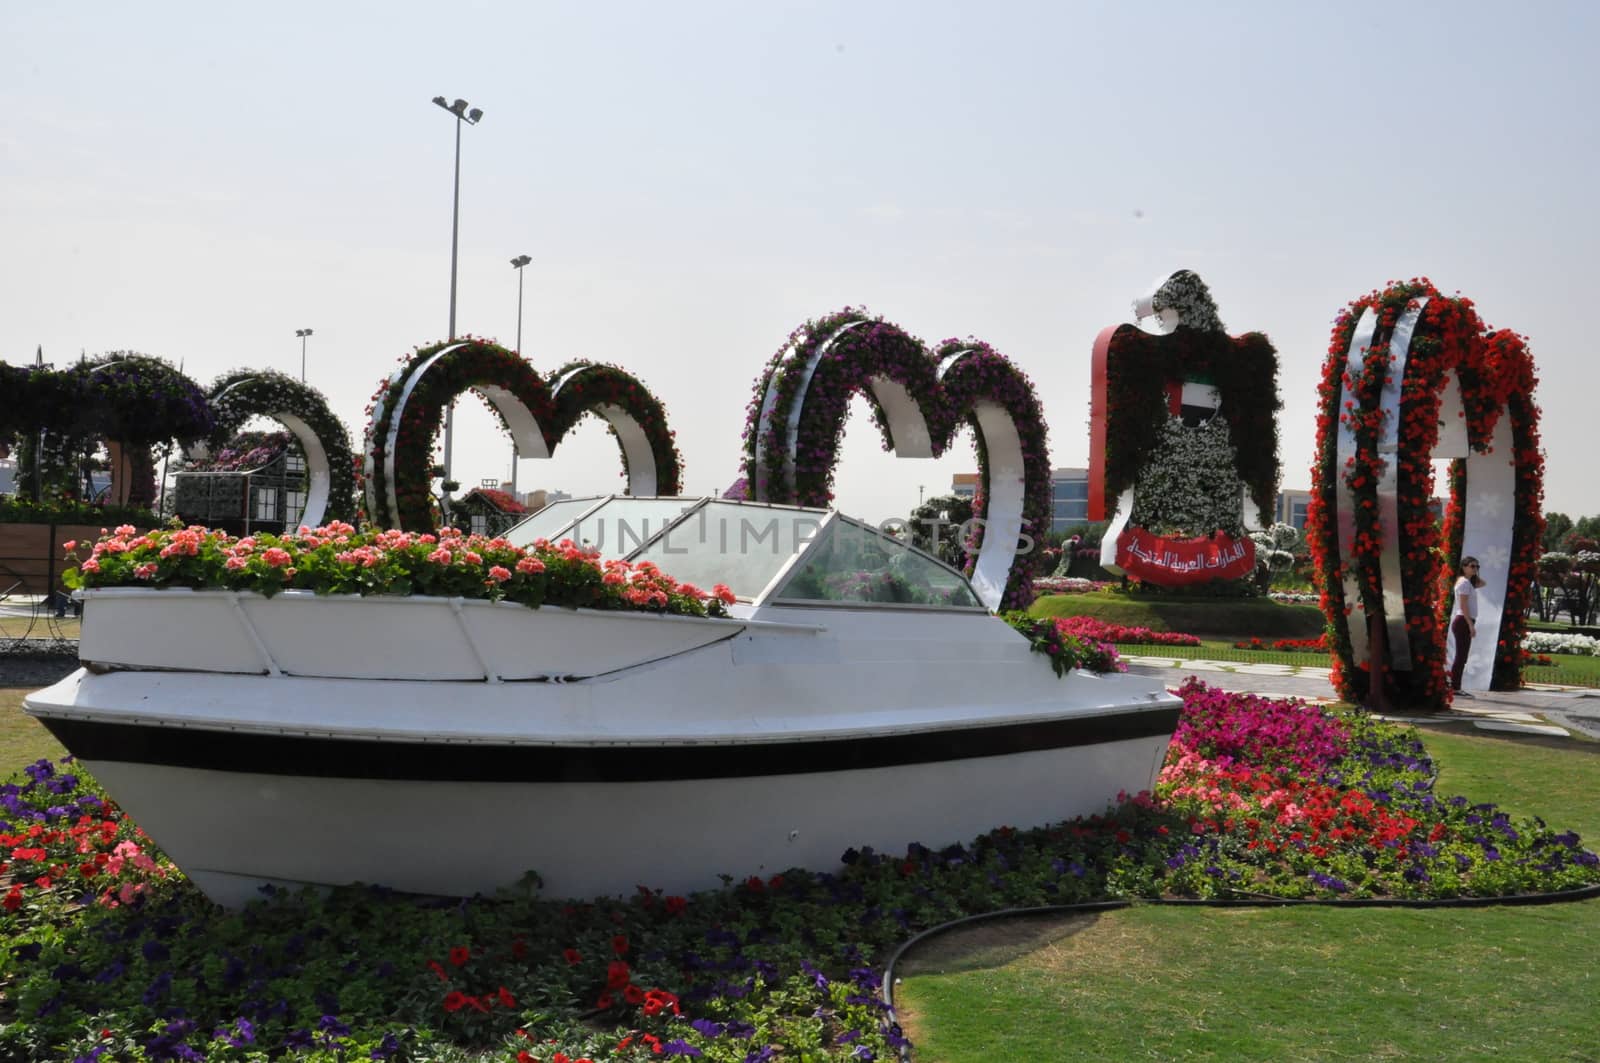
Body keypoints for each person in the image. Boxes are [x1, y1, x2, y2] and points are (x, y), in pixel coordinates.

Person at [1450, 556, 1485, 696]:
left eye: (1477, 567)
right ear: (1463, 567)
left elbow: (1483, 583)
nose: (1475, 569)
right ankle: (1455, 687)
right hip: (1463, 621)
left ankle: (1455, 686)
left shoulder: (1466, 582)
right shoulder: (1464, 583)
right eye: (1472, 566)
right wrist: (1470, 625)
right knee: (1461, 656)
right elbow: (1463, 605)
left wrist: (1475, 574)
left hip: (1464, 621)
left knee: (1462, 656)